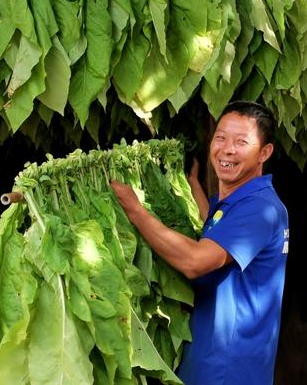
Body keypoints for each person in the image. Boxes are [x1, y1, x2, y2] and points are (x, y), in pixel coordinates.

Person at [110, 101, 289, 385]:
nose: (227, 149)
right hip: (212, 361)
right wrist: (193, 183)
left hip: (226, 369)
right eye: (220, 138)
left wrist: (134, 208)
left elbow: (196, 261)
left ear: (264, 153)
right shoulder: (237, 201)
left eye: (241, 142)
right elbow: (216, 227)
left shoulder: (259, 209)